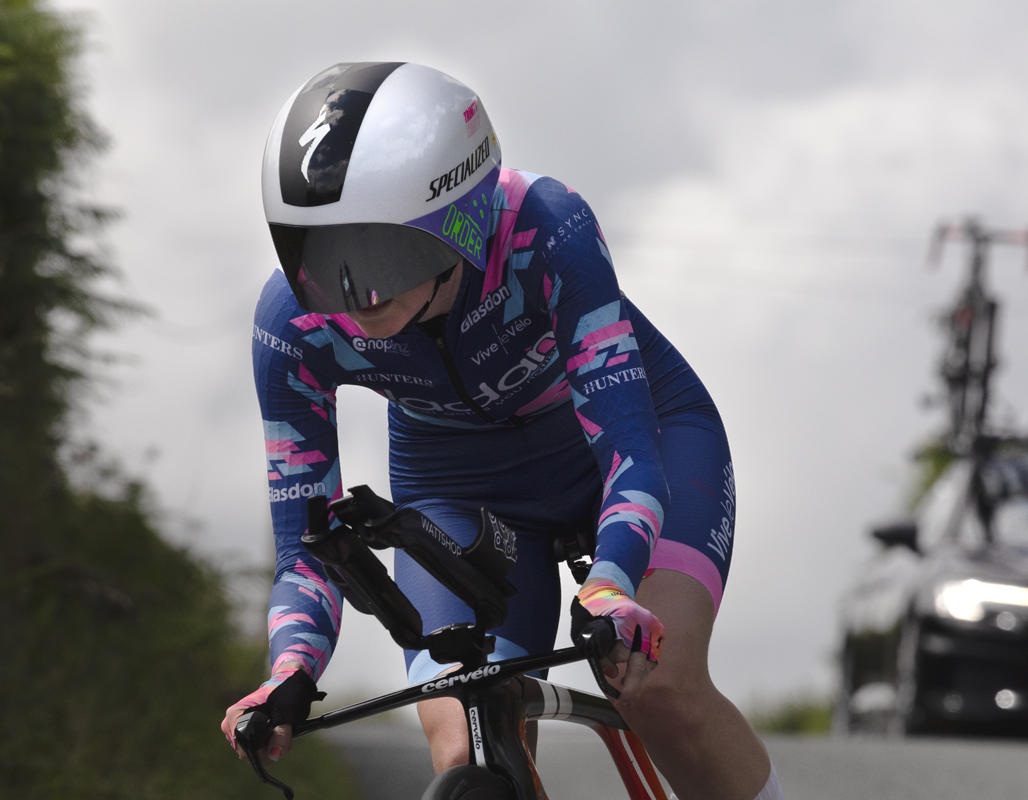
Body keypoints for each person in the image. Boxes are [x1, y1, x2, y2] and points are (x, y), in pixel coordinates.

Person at [221, 62, 784, 800]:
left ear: (459, 213)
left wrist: (612, 586)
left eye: (378, 253)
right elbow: (308, 546)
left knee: (657, 685)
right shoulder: (290, 327)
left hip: (627, 445)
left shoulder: (547, 227)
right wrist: (291, 670)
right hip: (460, 486)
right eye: (321, 259)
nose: (353, 296)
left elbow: (629, 453)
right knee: (467, 738)